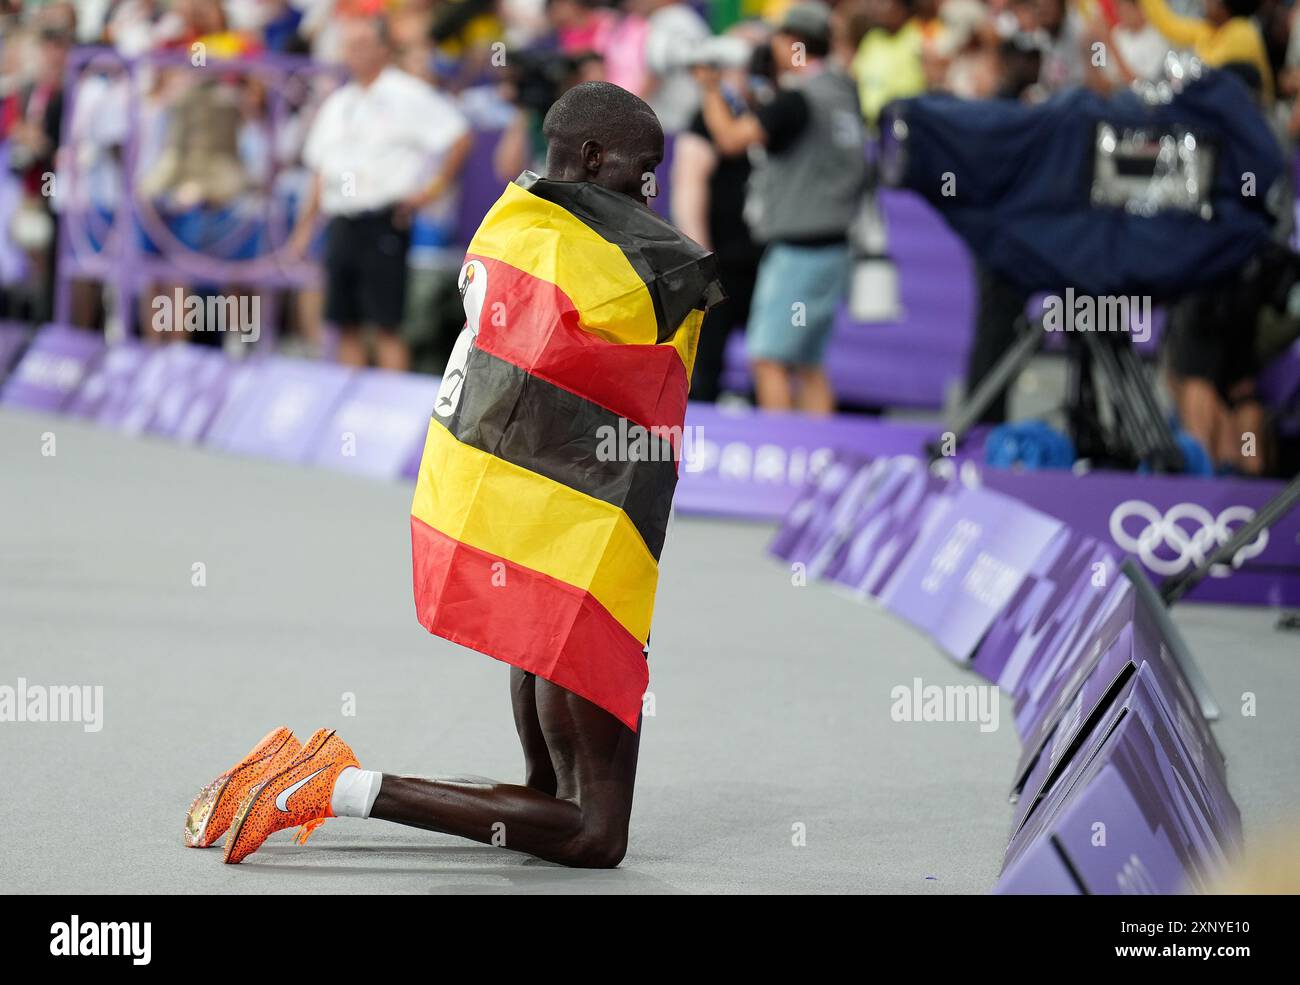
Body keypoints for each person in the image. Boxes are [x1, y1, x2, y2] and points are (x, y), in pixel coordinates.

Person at [189, 82, 721, 869]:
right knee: (593, 831)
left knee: (544, 793)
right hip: (588, 554)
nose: (650, 193)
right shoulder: (603, 260)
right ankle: (336, 783)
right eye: (643, 173)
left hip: (536, 533)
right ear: (593, 157)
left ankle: (311, 776)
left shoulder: (514, 227)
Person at [695, 1, 867, 414]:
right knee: (808, 361)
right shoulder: (843, 90)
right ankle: (819, 455)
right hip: (834, 244)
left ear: (793, 43)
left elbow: (732, 140)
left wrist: (709, 89)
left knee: (768, 357)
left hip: (798, 251)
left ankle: (785, 447)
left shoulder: (798, 99)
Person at [288, 16, 471, 371]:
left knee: (387, 322)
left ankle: (390, 405)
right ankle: (350, 406)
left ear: (383, 49)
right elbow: (321, 170)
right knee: (345, 322)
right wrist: (305, 229)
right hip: (342, 219)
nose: (353, 53)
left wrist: (429, 192)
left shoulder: (407, 94)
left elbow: (458, 136)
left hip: (384, 219)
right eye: (349, 45)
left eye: (362, 45)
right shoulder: (339, 103)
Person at [1138, 0, 1273, 101]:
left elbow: (1210, 70)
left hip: (1252, 118)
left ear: (1224, 5)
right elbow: (1169, 25)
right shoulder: (1209, 29)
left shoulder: (1243, 31)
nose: (1205, 2)